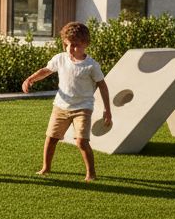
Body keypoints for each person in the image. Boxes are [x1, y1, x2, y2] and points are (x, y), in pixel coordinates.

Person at [23, 21, 112, 181]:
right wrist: (31, 79)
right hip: (60, 107)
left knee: (81, 142)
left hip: (83, 108)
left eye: (75, 45)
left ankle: (91, 173)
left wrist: (107, 110)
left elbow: (103, 87)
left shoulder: (91, 66)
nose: (70, 49)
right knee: (51, 138)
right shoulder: (61, 59)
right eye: (67, 45)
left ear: (85, 44)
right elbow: (46, 70)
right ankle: (46, 168)